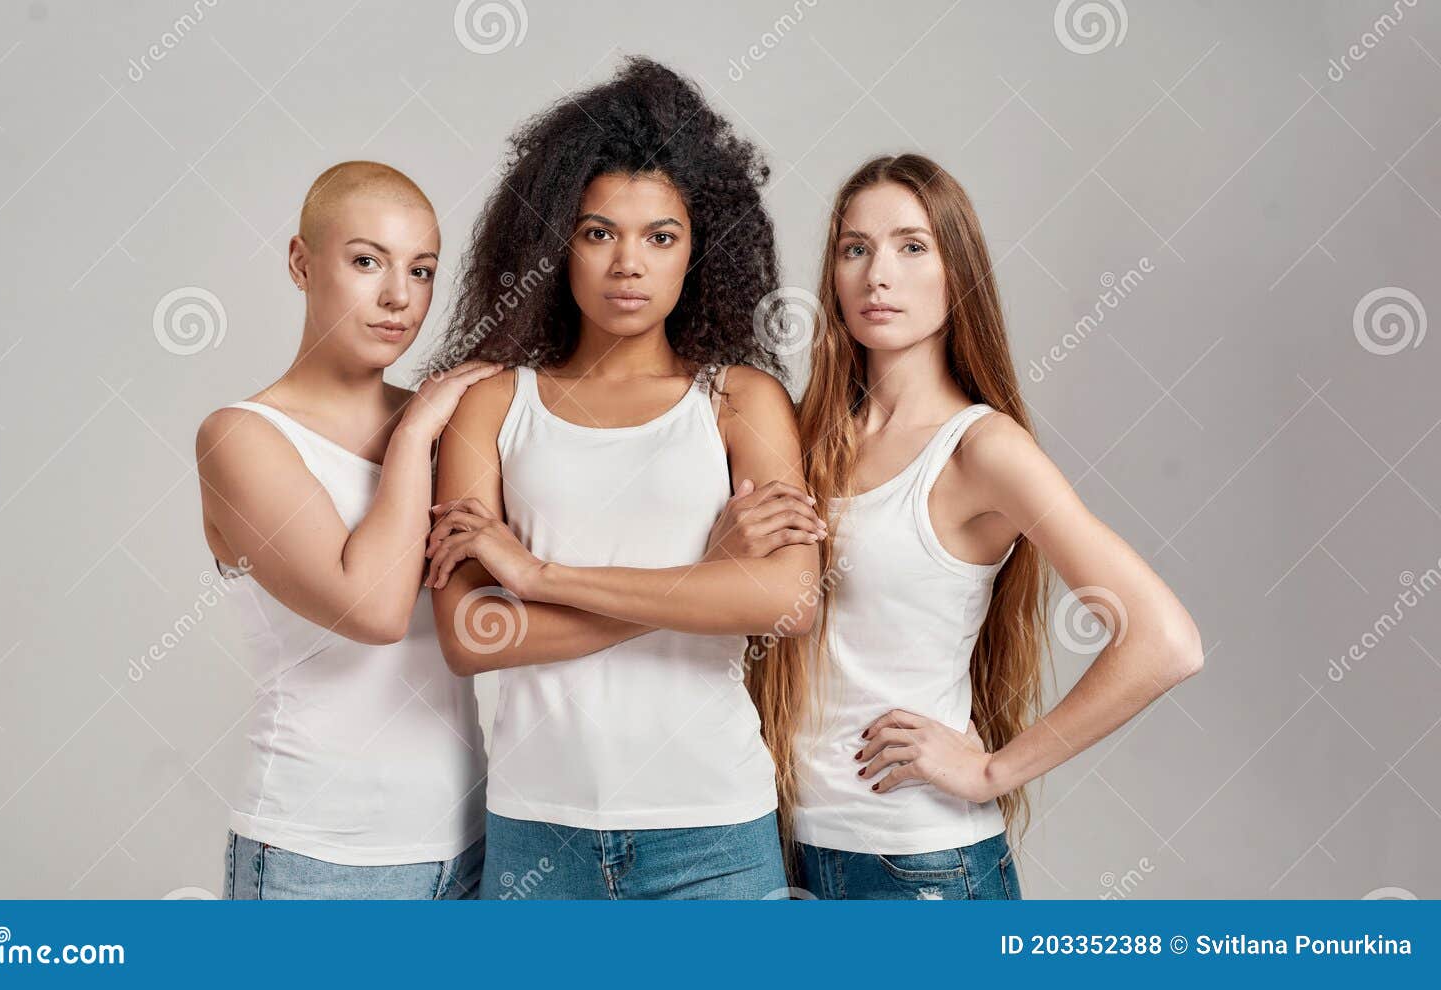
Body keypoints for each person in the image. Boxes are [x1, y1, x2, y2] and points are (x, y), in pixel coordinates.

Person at [422, 58, 824, 899]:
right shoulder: (493, 405)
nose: (628, 264)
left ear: (698, 252)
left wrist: (540, 577)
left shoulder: (739, 400)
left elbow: (788, 603)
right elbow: (470, 637)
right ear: (554, 245)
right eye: (598, 232)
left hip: (712, 827)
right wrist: (710, 582)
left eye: (660, 236)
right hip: (539, 830)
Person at [760, 154, 1205, 900]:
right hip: (788, 852)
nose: (878, 275)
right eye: (855, 248)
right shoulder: (803, 436)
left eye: (911, 246)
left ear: (955, 271)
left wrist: (994, 771)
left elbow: (1165, 641)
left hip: (921, 871)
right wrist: (505, 378)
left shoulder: (980, 450)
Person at [195, 161, 500, 898]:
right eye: (366, 262)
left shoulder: (453, 423)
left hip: (474, 842)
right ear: (301, 263)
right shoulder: (242, 437)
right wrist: (418, 429)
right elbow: (374, 609)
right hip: (317, 860)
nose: (399, 297)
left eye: (422, 271)